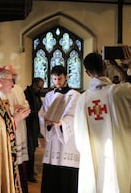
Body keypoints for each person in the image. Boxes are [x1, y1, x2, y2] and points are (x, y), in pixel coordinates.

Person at [73, 46, 131, 193]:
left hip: (94, 162)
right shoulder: (121, 93)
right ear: (105, 66)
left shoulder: (82, 100)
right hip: (122, 157)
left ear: (87, 73)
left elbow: (79, 141)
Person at [38, 65, 80, 193]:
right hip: (53, 139)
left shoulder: (75, 95)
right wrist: (46, 121)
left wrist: (62, 123)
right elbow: (42, 113)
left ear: (66, 77)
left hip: (67, 141)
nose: (57, 82)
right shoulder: (49, 95)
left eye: (60, 78)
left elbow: (75, 117)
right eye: (55, 79)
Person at [4, 65, 30, 193]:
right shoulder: (2, 90)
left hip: (20, 128)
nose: (13, 79)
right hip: (10, 129)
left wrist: (23, 107)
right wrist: (14, 109)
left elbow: (26, 103)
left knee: (21, 164)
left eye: (15, 75)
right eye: (11, 76)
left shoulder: (19, 89)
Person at [24, 77, 44, 183]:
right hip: (28, 127)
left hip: (34, 127)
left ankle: (30, 171)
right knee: (30, 151)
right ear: (34, 85)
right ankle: (29, 174)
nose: (40, 89)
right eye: (39, 87)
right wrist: (36, 114)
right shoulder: (26, 94)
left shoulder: (36, 94)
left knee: (33, 150)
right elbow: (27, 110)